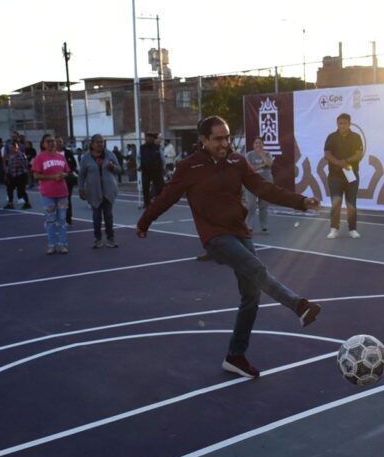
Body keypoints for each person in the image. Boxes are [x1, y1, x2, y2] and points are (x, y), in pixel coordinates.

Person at [136, 116, 322, 379]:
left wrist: (301, 201)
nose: (225, 143)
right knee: (256, 269)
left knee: (251, 297)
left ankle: (235, 356)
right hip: (215, 237)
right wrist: (145, 222)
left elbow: (264, 189)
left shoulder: (237, 161)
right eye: (218, 139)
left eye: (227, 137)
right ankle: (299, 306)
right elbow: (166, 197)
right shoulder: (189, 167)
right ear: (204, 140)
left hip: (240, 232)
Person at [80, 134, 123, 248]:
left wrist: (113, 167)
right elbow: (81, 175)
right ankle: (98, 239)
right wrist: (81, 188)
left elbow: (119, 169)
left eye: (102, 142)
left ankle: (110, 239)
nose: (100, 144)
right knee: (96, 216)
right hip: (94, 192)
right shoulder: (86, 157)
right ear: (92, 144)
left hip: (108, 191)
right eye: (98, 142)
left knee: (108, 216)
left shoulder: (110, 154)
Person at [324, 113, 363, 239]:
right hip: (335, 176)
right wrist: (339, 163)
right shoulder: (331, 137)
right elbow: (327, 154)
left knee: (351, 203)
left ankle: (352, 229)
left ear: (349, 124)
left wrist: (345, 161)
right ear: (337, 124)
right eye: (340, 123)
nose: (342, 126)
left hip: (351, 174)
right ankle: (334, 228)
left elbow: (358, 155)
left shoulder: (356, 137)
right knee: (336, 203)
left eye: (345, 123)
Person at [32, 135, 70, 254]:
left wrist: (63, 175)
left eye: (53, 141)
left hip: (62, 192)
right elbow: (36, 175)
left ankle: (63, 244)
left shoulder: (61, 156)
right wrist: (52, 177)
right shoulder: (40, 157)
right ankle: (52, 244)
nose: (52, 143)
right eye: (48, 141)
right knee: (50, 220)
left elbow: (67, 171)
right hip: (48, 193)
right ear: (43, 144)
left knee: (62, 220)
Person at [245, 137, 274, 233]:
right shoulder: (249, 155)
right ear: (253, 145)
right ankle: (249, 226)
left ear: (263, 144)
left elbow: (269, 164)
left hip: (265, 183)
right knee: (251, 204)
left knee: (264, 205)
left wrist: (262, 155)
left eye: (260, 143)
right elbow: (250, 168)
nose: (258, 145)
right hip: (251, 183)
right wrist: (262, 165)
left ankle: (264, 226)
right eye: (256, 143)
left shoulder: (267, 154)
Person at [4, 140, 31, 209]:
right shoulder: (11, 156)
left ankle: (27, 203)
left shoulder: (21, 155)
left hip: (20, 175)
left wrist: (17, 164)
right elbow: (9, 166)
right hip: (12, 175)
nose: (11, 149)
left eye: (13, 147)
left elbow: (25, 164)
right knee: (9, 188)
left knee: (21, 190)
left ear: (17, 148)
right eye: (11, 147)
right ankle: (10, 203)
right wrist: (7, 174)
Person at [139, 132, 164, 207]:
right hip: (145, 170)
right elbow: (138, 157)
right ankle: (146, 203)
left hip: (156, 170)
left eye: (151, 137)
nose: (150, 139)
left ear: (153, 139)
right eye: (148, 137)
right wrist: (139, 166)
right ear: (146, 138)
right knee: (145, 187)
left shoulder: (157, 147)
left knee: (159, 187)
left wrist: (163, 167)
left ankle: (159, 202)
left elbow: (162, 158)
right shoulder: (142, 148)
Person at [63, 140, 79, 225]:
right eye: (56, 141)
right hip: (56, 180)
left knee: (67, 198)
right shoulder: (52, 153)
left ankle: (68, 218)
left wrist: (69, 171)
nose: (58, 143)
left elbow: (74, 165)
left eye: (60, 142)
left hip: (67, 178)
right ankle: (58, 217)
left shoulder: (68, 152)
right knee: (58, 199)